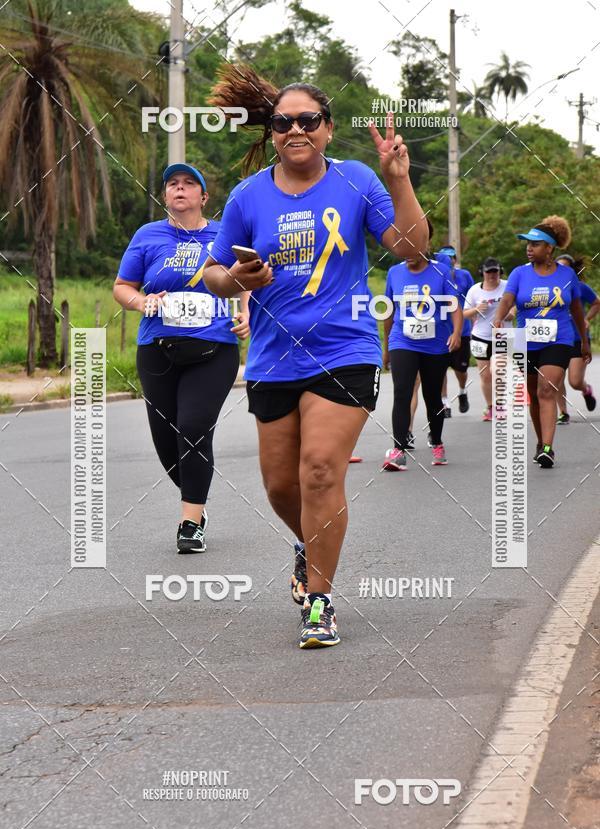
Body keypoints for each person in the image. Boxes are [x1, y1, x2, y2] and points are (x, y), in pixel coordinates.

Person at [203, 66, 428, 648]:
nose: (295, 129)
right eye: (283, 122)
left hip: (346, 348)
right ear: (272, 130)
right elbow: (213, 276)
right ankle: (308, 543)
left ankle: (320, 603)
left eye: (308, 120)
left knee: (321, 470)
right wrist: (238, 276)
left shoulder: (355, 180)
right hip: (274, 357)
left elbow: (412, 252)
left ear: (327, 129)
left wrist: (399, 181)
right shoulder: (249, 195)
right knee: (282, 487)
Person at [113, 163, 250, 552]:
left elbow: (244, 278)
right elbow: (123, 286)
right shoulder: (147, 235)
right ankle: (197, 492)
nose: (180, 189)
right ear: (165, 195)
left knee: (193, 427)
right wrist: (142, 301)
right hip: (157, 349)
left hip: (214, 347)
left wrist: (246, 315)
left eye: (189, 184)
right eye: (172, 183)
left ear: (203, 197)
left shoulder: (224, 234)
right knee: (166, 441)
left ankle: (190, 521)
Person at [492, 217, 591, 468]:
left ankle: (548, 448)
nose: (528, 248)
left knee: (547, 389)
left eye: (534, 244)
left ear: (549, 248)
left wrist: (584, 342)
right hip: (525, 341)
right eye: (527, 243)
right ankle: (540, 441)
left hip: (559, 340)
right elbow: (507, 300)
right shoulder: (519, 273)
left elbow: (577, 310)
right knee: (534, 395)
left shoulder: (567, 275)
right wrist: (497, 320)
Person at [381, 241, 462, 470]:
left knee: (432, 396)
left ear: (423, 246)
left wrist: (456, 332)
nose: (406, 255)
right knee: (402, 392)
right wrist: (386, 348)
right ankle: (398, 449)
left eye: (412, 249)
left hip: (435, 343)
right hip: (402, 339)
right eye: (402, 251)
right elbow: (388, 311)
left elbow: (454, 305)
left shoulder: (441, 271)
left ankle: (436, 442)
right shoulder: (394, 272)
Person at [463, 257, 510, 421]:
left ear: (500, 271)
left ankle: (501, 404)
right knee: (485, 375)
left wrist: (512, 313)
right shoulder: (475, 290)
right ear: (482, 273)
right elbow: (464, 313)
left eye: (495, 271)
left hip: (503, 335)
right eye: (488, 272)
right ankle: (491, 407)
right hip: (480, 336)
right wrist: (476, 309)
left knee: (498, 370)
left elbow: (518, 302)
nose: (492, 275)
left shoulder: (507, 286)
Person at [555, 254, 599, 423]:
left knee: (574, 381)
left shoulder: (580, 287)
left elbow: (597, 303)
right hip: (556, 338)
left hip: (577, 339)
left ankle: (586, 389)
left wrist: (587, 318)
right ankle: (563, 412)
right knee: (556, 378)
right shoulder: (550, 289)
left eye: (566, 268)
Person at [437, 245, 475, 415]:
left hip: (462, 330)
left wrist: (475, 326)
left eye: (451, 257)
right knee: (440, 369)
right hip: (440, 330)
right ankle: (445, 402)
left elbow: (473, 299)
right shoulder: (436, 276)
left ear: (455, 259)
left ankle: (462, 391)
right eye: (444, 258)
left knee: (461, 369)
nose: (448, 261)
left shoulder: (464, 275)